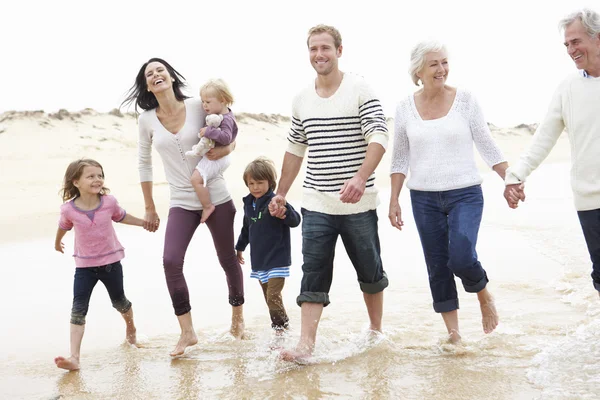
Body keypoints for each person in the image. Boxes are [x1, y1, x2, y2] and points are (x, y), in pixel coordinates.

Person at [269, 25, 389, 361]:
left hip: (358, 205)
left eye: (325, 48)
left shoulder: (360, 90)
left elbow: (379, 136)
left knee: (370, 270)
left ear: (339, 50)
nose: (319, 55)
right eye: (313, 49)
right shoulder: (302, 99)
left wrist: (361, 176)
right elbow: (295, 149)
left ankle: (376, 331)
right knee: (314, 269)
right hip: (316, 202)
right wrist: (280, 193)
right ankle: (306, 345)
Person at [121, 57, 245, 357]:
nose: (155, 75)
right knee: (171, 260)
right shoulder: (146, 119)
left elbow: (229, 132)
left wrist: (227, 149)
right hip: (180, 200)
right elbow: (143, 162)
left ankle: (238, 320)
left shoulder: (196, 106)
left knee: (227, 258)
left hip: (215, 195)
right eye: (149, 74)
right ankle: (187, 332)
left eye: (160, 70)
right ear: (147, 85)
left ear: (171, 77)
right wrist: (149, 206)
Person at [389, 40, 507, 342]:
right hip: (423, 198)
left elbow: (486, 143)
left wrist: (511, 178)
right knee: (437, 267)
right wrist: (394, 199)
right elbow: (400, 158)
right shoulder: (404, 108)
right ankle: (454, 336)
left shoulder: (465, 100)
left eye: (444, 62)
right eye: (434, 64)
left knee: (462, 256)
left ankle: (483, 294)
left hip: (465, 193)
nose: (442, 69)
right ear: (418, 70)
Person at [504, 9, 600, 297]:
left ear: (597, 38)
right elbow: (543, 138)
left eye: (576, 41)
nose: (571, 50)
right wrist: (515, 175)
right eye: (567, 45)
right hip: (589, 199)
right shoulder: (567, 88)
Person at [54, 158, 147, 371]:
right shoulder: (69, 209)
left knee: (120, 302)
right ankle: (75, 358)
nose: (97, 179)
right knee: (78, 309)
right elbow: (63, 226)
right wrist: (57, 241)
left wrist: (144, 222)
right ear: (75, 182)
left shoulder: (109, 202)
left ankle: (130, 329)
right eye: (91, 176)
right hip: (84, 267)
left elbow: (122, 216)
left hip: (111, 264)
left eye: (100, 175)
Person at [235, 157, 301, 334]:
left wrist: (284, 214)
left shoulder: (276, 201)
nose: (255, 187)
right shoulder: (249, 204)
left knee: (273, 296)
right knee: (269, 297)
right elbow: (246, 228)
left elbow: (296, 220)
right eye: (251, 183)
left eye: (260, 183)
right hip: (259, 259)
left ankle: (279, 329)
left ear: (270, 183)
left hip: (277, 257)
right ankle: (284, 325)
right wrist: (239, 247)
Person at [187, 79, 238, 224]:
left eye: (208, 102)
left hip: (220, 157)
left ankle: (208, 206)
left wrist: (209, 131)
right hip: (218, 155)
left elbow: (227, 138)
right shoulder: (219, 115)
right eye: (203, 102)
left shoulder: (226, 119)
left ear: (222, 100)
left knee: (195, 180)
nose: (204, 105)